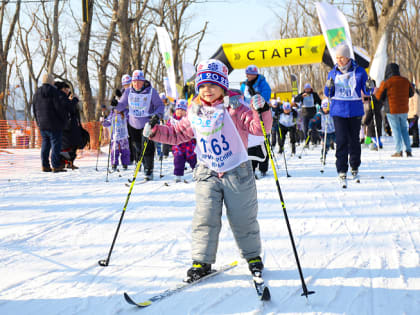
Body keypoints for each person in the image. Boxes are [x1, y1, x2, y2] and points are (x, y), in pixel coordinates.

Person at [143, 59, 272, 281]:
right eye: (202, 86)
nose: (207, 90)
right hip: (207, 171)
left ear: (223, 87)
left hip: (237, 170)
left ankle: (253, 257)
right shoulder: (195, 112)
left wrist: (262, 110)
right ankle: (201, 261)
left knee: (243, 218)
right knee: (205, 217)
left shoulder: (236, 108)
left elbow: (259, 129)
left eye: (212, 85)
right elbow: (177, 134)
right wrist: (155, 131)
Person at [324, 43, 372, 183]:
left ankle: (355, 165)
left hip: (355, 110)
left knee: (354, 140)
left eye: (342, 58)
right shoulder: (332, 72)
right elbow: (329, 93)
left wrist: (370, 86)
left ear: (348, 58)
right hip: (338, 110)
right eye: (337, 58)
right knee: (341, 140)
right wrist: (328, 87)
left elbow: (368, 91)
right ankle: (341, 168)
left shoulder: (360, 71)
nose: (339, 60)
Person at [115, 70, 164, 180]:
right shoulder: (128, 91)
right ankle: (139, 163)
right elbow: (122, 105)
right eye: (134, 82)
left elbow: (160, 106)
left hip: (147, 124)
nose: (136, 84)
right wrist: (116, 105)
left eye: (139, 82)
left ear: (143, 81)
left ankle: (148, 169)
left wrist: (156, 116)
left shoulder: (151, 92)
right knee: (137, 147)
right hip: (133, 124)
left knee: (147, 147)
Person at [375, 63, 415, 157]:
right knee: (404, 129)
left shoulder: (386, 82)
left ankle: (398, 150)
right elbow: (411, 93)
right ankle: (408, 150)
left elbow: (379, 96)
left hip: (391, 110)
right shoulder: (405, 81)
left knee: (396, 130)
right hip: (404, 109)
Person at [240, 65, 272, 177]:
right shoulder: (244, 85)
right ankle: (251, 167)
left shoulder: (262, 83)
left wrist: (257, 98)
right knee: (250, 143)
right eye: (247, 74)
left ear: (255, 74)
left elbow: (267, 95)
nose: (249, 76)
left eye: (251, 74)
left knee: (263, 141)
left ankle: (263, 167)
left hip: (260, 113)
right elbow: (241, 98)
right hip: (248, 115)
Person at [32, 74, 68, 173]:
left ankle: (45, 165)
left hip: (42, 123)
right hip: (54, 123)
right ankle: (56, 166)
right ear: (51, 81)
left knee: (45, 144)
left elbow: (34, 109)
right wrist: (63, 120)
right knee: (56, 145)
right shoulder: (55, 92)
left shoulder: (37, 93)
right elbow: (59, 108)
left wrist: (38, 121)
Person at [166, 99, 197, 182]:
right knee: (178, 160)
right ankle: (178, 175)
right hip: (178, 146)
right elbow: (168, 128)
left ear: (186, 112)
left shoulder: (189, 119)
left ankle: (197, 173)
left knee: (194, 159)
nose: (180, 111)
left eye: (182, 110)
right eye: (178, 109)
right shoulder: (172, 120)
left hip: (189, 145)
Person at [55, 81, 82, 170]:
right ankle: (64, 162)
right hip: (66, 126)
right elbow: (68, 107)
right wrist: (74, 100)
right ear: (63, 89)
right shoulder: (61, 97)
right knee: (67, 146)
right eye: (67, 90)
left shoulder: (63, 97)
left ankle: (69, 162)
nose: (68, 92)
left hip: (70, 125)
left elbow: (74, 110)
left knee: (72, 145)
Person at [408, 82, 419, 148]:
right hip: (409, 115)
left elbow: (417, 105)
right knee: (411, 128)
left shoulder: (415, 95)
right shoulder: (409, 94)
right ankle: (415, 140)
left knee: (414, 129)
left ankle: (416, 142)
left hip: (413, 115)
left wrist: (416, 114)